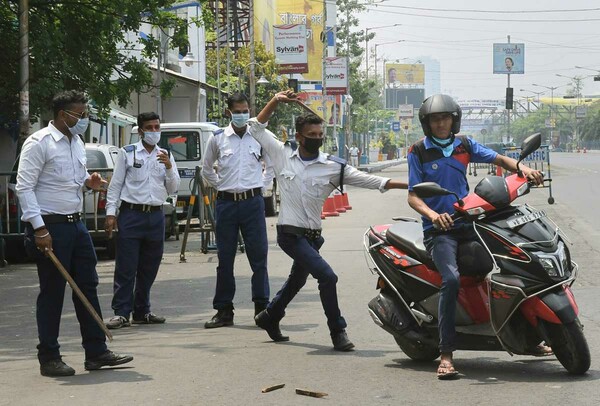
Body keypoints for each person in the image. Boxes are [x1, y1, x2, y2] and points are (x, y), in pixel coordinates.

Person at [249, 90, 408, 351]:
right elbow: (256, 126)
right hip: (290, 234)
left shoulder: (334, 166)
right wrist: (276, 100)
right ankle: (338, 331)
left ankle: (270, 315)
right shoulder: (280, 154)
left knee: (298, 280)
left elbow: (374, 181)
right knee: (328, 277)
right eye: (311, 136)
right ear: (298, 136)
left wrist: (412, 187)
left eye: (320, 136)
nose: (316, 140)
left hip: (312, 237)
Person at [406, 94, 544, 379]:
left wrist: (523, 168)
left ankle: (530, 337)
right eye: (435, 119)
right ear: (427, 123)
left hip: (468, 223)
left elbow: (498, 158)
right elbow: (413, 196)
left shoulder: (464, 145)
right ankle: (446, 354)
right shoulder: (418, 151)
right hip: (439, 231)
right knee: (452, 279)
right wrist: (433, 216)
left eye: (445, 118)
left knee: (511, 261)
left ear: (453, 120)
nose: (441, 123)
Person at [16, 90, 133, 377]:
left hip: (76, 225)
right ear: (62, 115)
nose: (84, 119)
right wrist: (39, 228)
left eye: (85, 113)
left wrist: (88, 182)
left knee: (87, 286)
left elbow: (71, 180)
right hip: (50, 226)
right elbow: (24, 187)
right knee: (53, 292)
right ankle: (49, 357)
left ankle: (96, 352)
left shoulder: (77, 141)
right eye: (80, 114)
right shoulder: (39, 143)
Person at [201, 93, 274, 328]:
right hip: (226, 204)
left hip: (253, 203)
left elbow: (271, 165)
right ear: (228, 112)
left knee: (259, 257)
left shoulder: (258, 137)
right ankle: (224, 310)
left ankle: (262, 309)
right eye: (238, 111)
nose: (243, 114)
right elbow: (206, 169)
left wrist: (263, 186)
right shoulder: (217, 138)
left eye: (246, 110)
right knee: (225, 259)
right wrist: (220, 185)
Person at [104, 112, 180, 329]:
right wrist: (111, 213)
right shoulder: (127, 153)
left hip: (155, 215)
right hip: (131, 214)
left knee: (150, 266)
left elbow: (173, 188)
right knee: (126, 266)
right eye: (150, 127)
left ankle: (142, 310)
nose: (154, 131)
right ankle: (121, 312)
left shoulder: (166, 155)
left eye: (157, 127)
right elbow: (116, 185)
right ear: (140, 130)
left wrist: (168, 167)